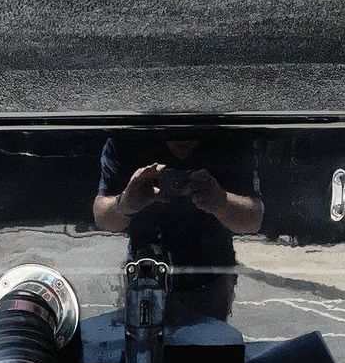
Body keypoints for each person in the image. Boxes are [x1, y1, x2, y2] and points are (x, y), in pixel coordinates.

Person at [93, 135, 263, 320]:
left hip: (210, 277)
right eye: (172, 130)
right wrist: (124, 204)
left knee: (210, 336)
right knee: (142, 333)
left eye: (191, 129)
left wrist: (222, 201)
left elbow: (253, 220)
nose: (182, 138)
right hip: (144, 274)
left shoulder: (231, 142)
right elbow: (102, 217)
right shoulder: (128, 141)